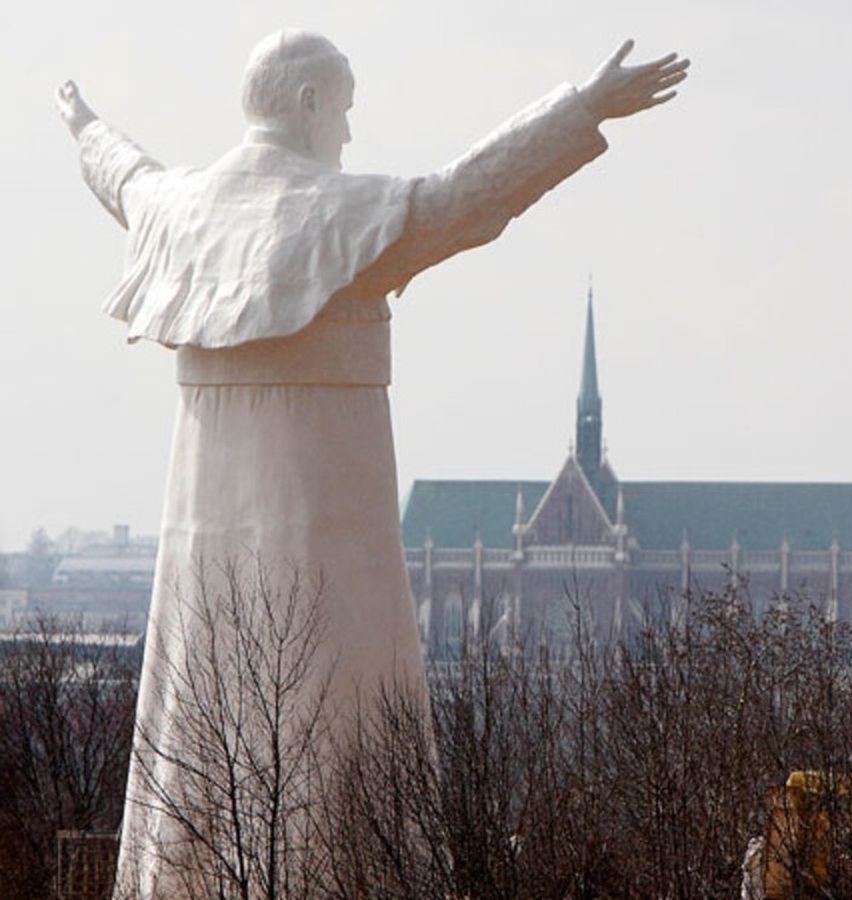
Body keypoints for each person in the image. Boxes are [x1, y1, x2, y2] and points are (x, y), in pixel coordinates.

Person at [57, 29, 687, 896]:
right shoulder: (340, 219)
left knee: (200, 721)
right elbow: (467, 197)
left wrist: (84, 123)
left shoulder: (183, 211)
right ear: (310, 103)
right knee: (344, 730)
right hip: (330, 534)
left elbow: (125, 177)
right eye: (344, 110)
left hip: (204, 542)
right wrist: (582, 108)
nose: (348, 135)